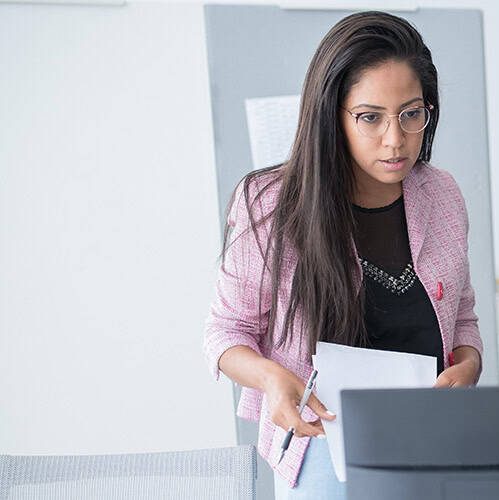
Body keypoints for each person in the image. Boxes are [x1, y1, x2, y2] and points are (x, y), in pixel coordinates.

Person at [202, 12, 483, 498]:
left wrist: (471, 364)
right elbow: (225, 333)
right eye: (370, 117)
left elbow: (462, 316)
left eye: (412, 114)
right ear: (332, 114)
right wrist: (272, 378)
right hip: (322, 447)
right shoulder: (270, 203)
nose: (395, 139)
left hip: (429, 441)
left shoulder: (442, 194)